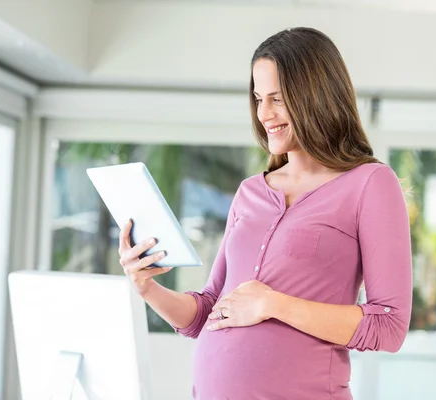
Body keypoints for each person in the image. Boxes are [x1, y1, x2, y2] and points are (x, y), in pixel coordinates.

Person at [118, 27, 412, 400]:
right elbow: (209, 308)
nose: (264, 114)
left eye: (277, 99)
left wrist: (275, 304)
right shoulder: (250, 191)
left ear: (316, 97)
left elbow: (389, 325)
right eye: (258, 99)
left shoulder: (370, 183)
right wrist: (147, 288)